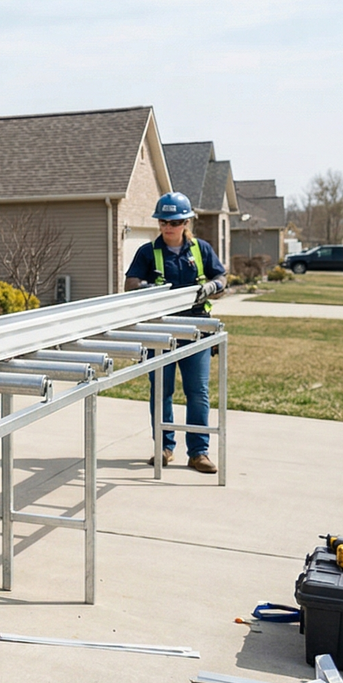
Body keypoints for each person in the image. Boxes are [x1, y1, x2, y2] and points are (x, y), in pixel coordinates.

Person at [124, 192, 227, 473]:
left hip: (196, 330)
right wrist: (145, 289)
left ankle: (198, 453)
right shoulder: (148, 252)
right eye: (164, 222)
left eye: (175, 222)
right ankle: (165, 448)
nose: (168, 227)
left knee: (198, 393)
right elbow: (130, 283)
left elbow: (221, 277)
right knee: (161, 391)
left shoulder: (201, 249)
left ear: (186, 222)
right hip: (160, 332)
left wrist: (213, 287)